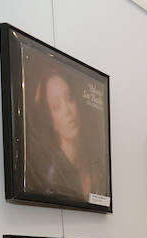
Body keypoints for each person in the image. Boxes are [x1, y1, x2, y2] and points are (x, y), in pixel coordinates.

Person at [28, 70, 106, 202]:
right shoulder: (51, 175)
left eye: (69, 98)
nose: (67, 111)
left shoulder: (97, 167)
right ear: (49, 118)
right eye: (56, 106)